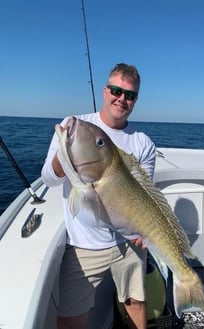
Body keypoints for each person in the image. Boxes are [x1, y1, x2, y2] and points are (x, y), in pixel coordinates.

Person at [41, 63, 156, 329]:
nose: (122, 99)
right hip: (83, 243)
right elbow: (49, 178)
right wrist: (66, 155)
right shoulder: (77, 127)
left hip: (128, 243)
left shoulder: (143, 143)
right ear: (105, 91)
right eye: (116, 90)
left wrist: (145, 230)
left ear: (135, 100)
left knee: (136, 303)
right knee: (71, 319)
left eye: (130, 95)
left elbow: (144, 192)